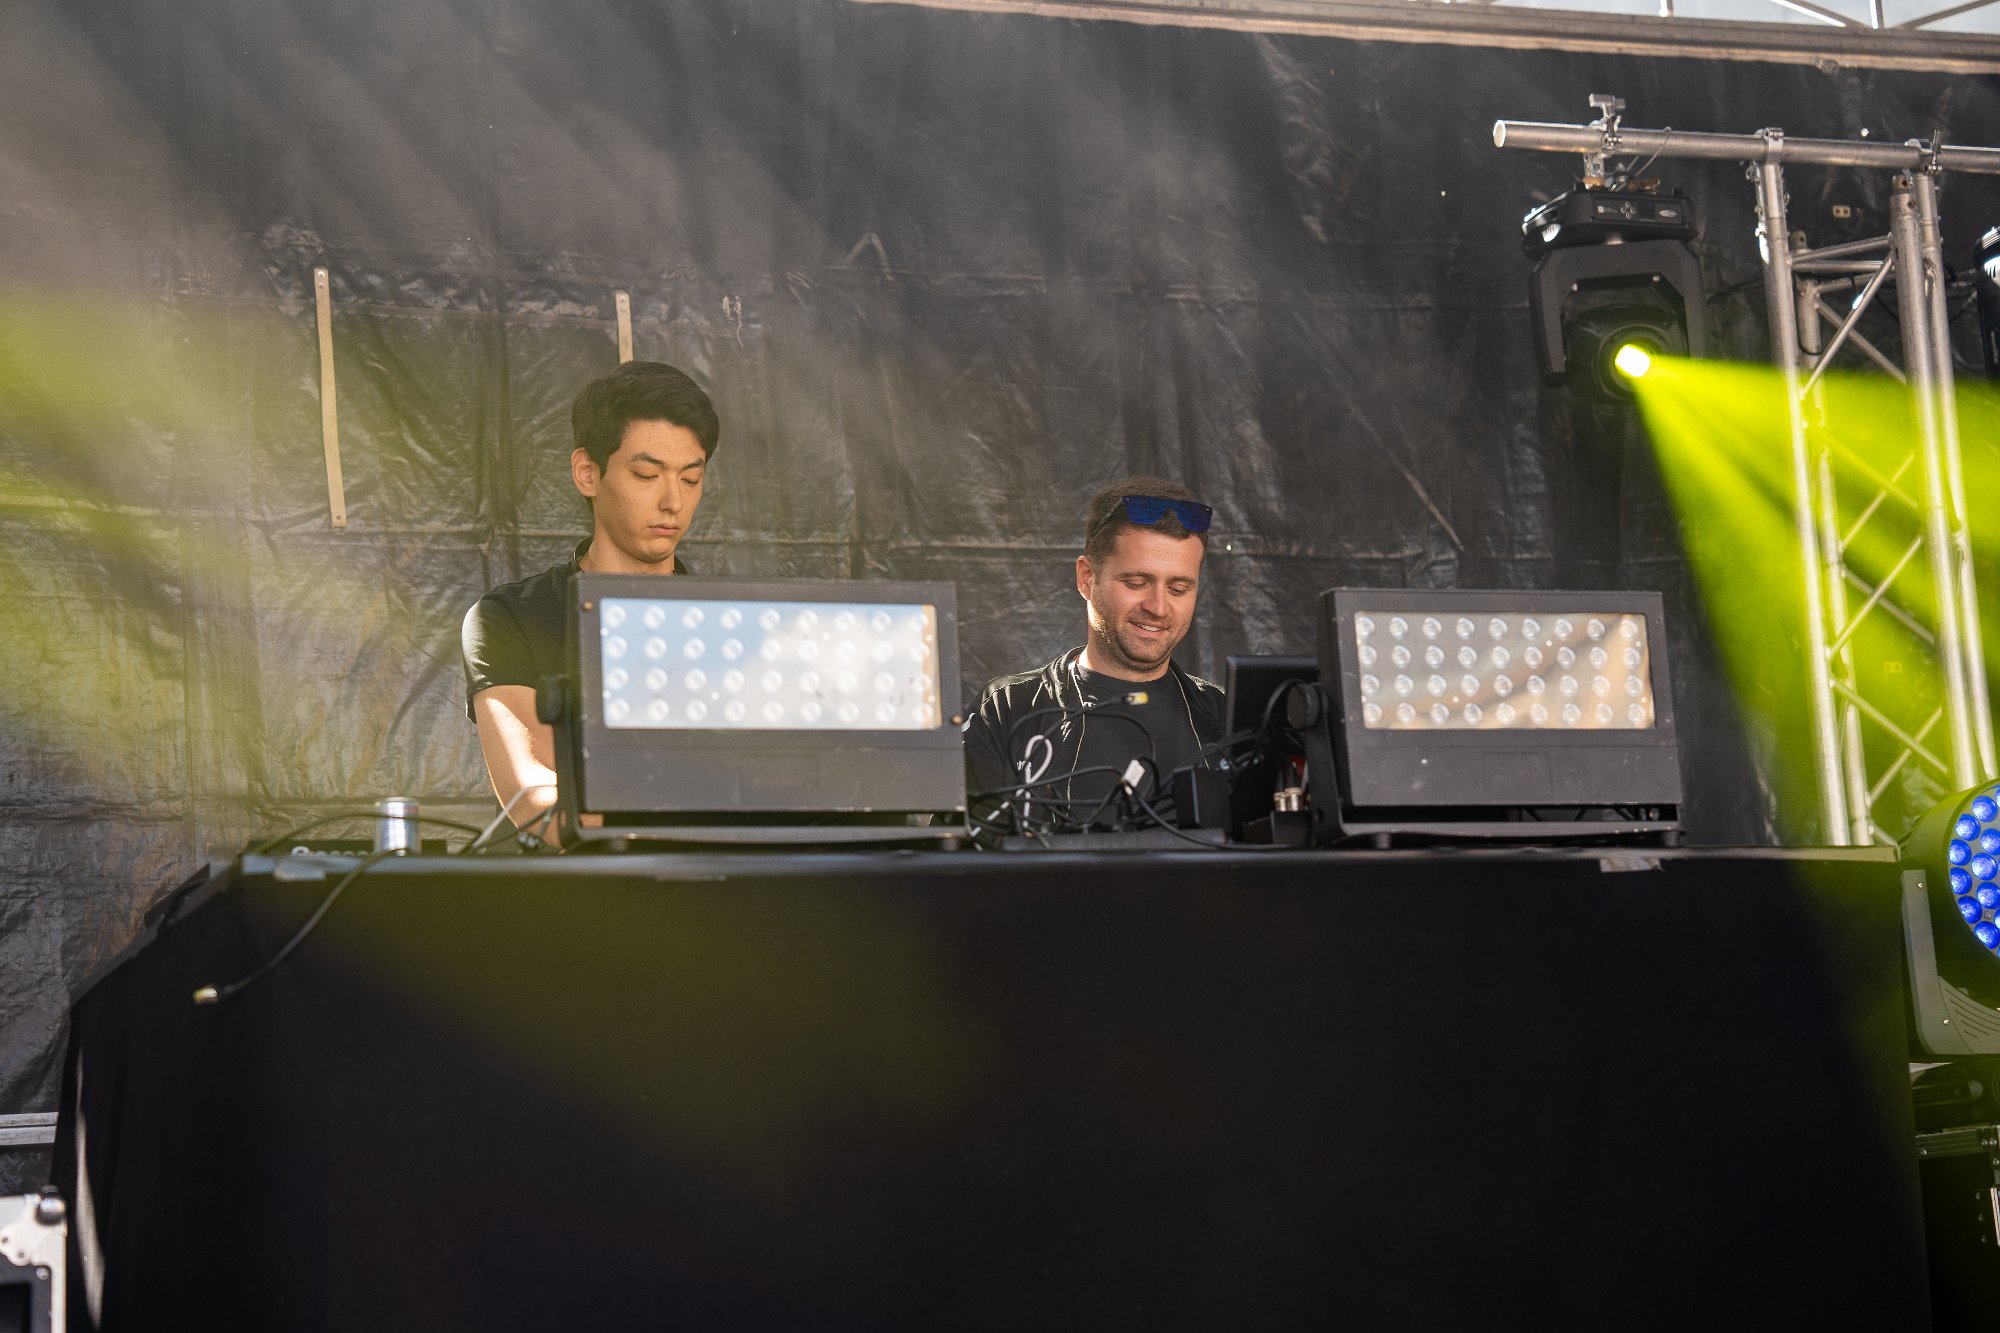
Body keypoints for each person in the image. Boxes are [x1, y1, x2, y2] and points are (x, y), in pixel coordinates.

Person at [461, 360, 719, 828]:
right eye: (647, 475)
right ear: (587, 472)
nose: (673, 502)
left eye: (690, 479)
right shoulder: (511, 618)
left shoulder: (727, 622)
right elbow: (534, 800)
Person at [963, 478, 1225, 832]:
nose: (1159, 607)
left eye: (1178, 589)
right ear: (1087, 578)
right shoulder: (1007, 710)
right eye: (1136, 583)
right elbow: (964, 857)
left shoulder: (1226, 718)